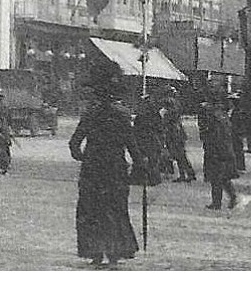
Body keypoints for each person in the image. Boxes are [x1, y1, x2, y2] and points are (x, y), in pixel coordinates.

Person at [69, 70, 144, 268]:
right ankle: (114, 253)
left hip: (93, 170)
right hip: (115, 171)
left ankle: (95, 253)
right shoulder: (122, 117)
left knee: (91, 211)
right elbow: (133, 146)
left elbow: (74, 144)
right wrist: (140, 165)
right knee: (115, 210)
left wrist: (85, 158)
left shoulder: (90, 115)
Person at [199, 94, 243, 210]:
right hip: (224, 151)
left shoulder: (215, 118)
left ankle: (217, 202)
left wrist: (210, 144)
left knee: (216, 178)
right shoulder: (223, 116)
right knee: (223, 177)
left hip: (217, 152)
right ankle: (232, 197)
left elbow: (215, 136)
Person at [161, 87, 195, 182]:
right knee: (180, 155)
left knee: (179, 155)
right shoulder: (176, 103)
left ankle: (187, 174)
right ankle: (187, 174)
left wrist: (165, 116)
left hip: (174, 133)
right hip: (177, 132)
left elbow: (168, 119)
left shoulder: (170, 106)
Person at [131, 96, 166, 187]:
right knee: (152, 159)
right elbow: (159, 127)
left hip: (143, 138)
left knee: (141, 158)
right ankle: (154, 179)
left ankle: (138, 178)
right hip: (153, 138)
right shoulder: (156, 114)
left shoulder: (141, 115)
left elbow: (137, 127)